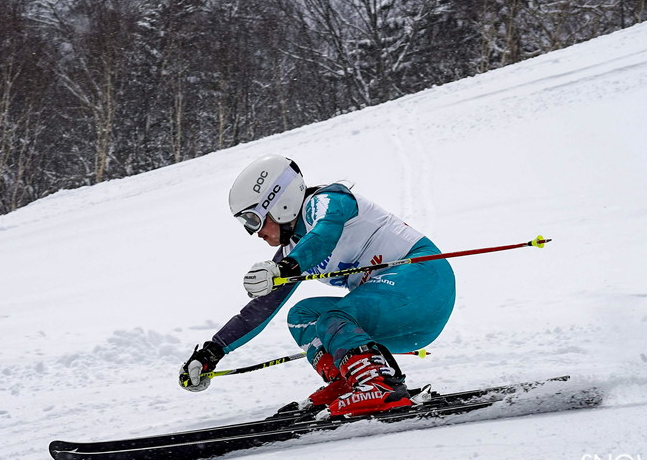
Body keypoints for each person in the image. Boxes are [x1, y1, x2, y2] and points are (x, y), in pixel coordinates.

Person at [179, 154, 456, 417]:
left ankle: (379, 386)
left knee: (335, 318)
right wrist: (212, 351)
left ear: (279, 203)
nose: (254, 232)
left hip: (423, 279)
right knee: (303, 316)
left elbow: (324, 234)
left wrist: (286, 267)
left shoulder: (327, 200)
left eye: (252, 218)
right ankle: (352, 380)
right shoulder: (292, 251)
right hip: (400, 316)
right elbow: (261, 308)